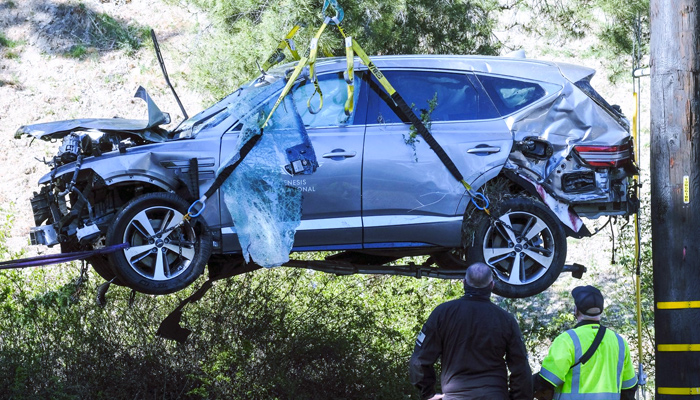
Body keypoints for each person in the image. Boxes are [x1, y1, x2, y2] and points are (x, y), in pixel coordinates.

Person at [409, 262, 533, 400]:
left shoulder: (442, 314)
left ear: (464, 283)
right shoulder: (506, 320)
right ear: (492, 285)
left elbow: (419, 361)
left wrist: (428, 394)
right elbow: (521, 368)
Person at [533, 285, 638, 400]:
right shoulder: (620, 342)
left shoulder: (567, 340)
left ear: (576, 310)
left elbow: (547, 380)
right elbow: (629, 388)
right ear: (601, 311)